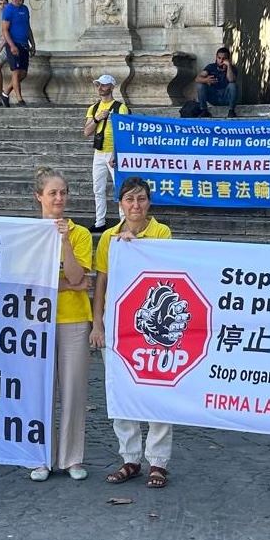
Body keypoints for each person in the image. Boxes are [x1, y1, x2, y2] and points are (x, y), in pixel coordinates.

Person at [90, 176, 175, 489]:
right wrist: (97, 323)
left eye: (141, 199)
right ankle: (130, 458)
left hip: (156, 322)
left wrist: (135, 247)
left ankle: (158, 461)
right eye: (129, 200)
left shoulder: (162, 232)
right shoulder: (108, 237)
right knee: (120, 389)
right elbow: (101, 281)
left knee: (158, 391)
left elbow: (165, 270)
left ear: (149, 202)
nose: (136, 206)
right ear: (120, 204)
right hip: (118, 322)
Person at [30, 166, 91, 482]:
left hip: (74, 319)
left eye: (63, 193)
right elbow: (28, 281)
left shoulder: (79, 234)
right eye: (52, 193)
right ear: (39, 196)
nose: (59, 198)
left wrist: (65, 242)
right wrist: (66, 284)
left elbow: (80, 276)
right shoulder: (28, 234)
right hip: (36, 320)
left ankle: (71, 457)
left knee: (73, 391)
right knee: (39, 391)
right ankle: (40, 456)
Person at [83, 74, 129, 233]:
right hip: (99, 151)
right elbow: (86, 132)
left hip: (113, 152)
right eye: (98, 85)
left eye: (103, 85)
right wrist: (97, 118)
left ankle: (123, 221)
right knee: (98, 188)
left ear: (112, 86)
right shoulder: (94, 108)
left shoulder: (120, 107)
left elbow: (124, 133)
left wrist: (116, 153)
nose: (100, 88)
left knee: (120, 188)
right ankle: (100, 221)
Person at [0, 0, 35, 107]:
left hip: (24, 44)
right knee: (16, 72)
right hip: (14, 44)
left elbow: (28, 27)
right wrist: (12, 45)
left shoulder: (25, 9)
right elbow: (5, 30)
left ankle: (5, 94)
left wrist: (32, 43)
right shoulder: (8, 10)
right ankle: (20, 99)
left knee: (23, 73)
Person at [194, 46, 238, 118]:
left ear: (228, 59)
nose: (221, 61)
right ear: (216, 57)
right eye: (219, 58)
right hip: (214, 97)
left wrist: (228, 66)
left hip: (226, 97)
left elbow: (231, 80)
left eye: (224, 59)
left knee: (232, 85)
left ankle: (231, 111)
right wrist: (206, 80)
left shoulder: (232, 68)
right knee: (200, 85)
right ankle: (204, 110)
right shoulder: (211, 67)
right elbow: (197, 79)